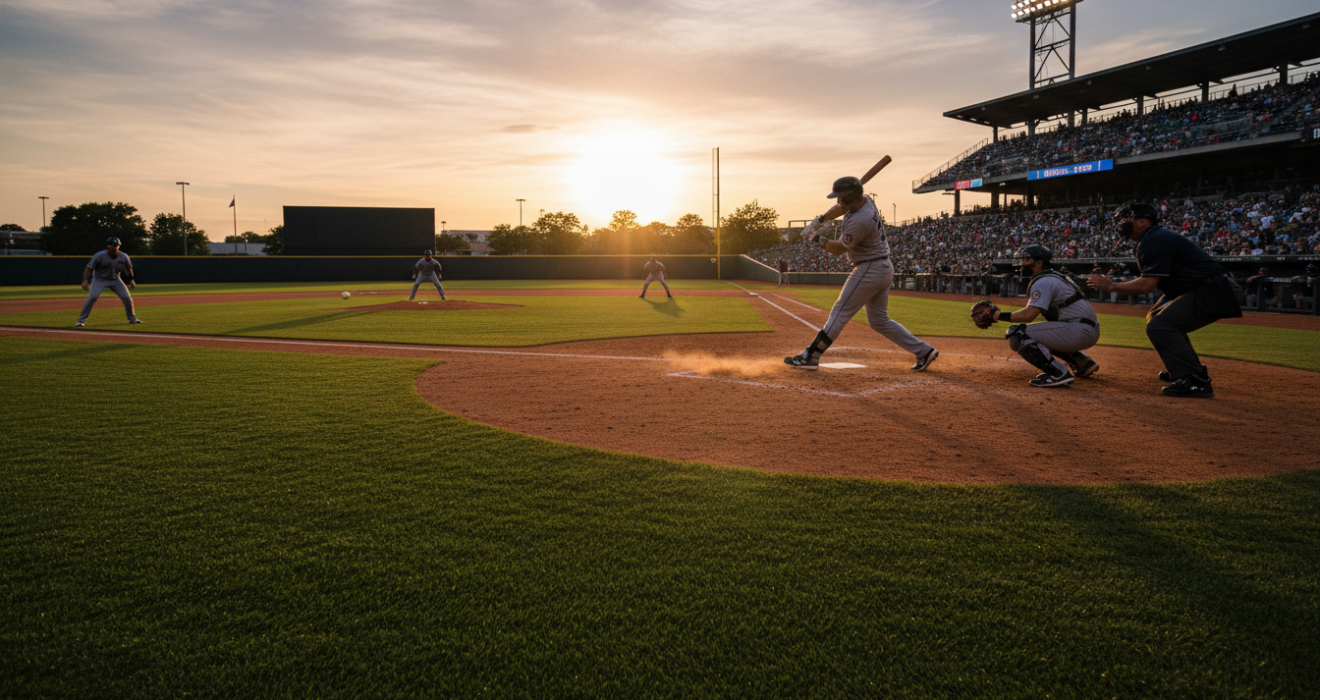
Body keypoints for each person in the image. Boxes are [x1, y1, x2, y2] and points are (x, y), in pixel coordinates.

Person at [1086, 202, 1241, 398]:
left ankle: (1196, 380)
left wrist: (1110, 286)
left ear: (1143, 222)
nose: (1122, 224)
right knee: (1156, 317)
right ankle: (1186, 368)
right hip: (1204, 288)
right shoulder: (1154, 237)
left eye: (1127, 219)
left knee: (1161, 326)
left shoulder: (1155, 239)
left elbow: (1146, 285)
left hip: (1215, 289)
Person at [785, 176, 938, 371]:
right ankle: (924, 351)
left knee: (840, 312)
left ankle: (810, 356)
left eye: (840, 198)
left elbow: (839, 248)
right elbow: (841, 208)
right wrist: (819, 220)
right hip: (881, 266)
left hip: (869, 269)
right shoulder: (864, 201)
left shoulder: (860, 220)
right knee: (879, 321)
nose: (837, 202)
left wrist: (815, 238)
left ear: (849, 198)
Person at [979, 245, 1100, 387]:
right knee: (1043, 334)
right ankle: (1082, 362)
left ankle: (1057, 373)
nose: (1022, 263)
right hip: (1083, 328)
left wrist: (997, 316)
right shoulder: (1054, 276)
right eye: (1021, 259)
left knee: (1017, 334)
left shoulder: (1043, 281)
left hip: (1078, 330)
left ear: (1039, 263)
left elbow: (1029, 314)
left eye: (1026, 259)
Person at [76, 237, 141, 327]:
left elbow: (128, 268)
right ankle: (80, 321)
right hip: (100, 279)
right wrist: (84, 280)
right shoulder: (99, 256)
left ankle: (132, 319)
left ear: (119, 246)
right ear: (108, 246)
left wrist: (131, 280)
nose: (114, 247)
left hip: (115, 279)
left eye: (116, 245)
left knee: (127, 298)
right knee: (92, 297)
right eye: (112, 245)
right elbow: (89, 268)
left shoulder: (123, 256)